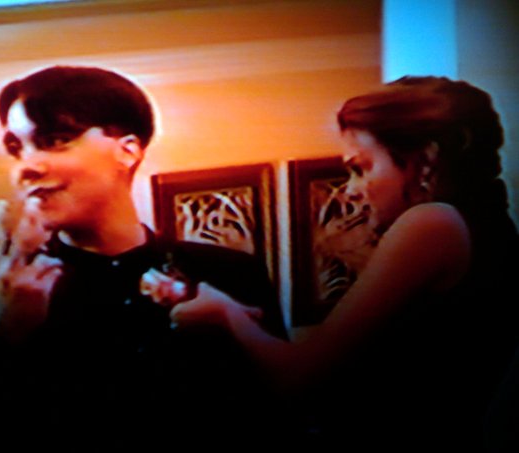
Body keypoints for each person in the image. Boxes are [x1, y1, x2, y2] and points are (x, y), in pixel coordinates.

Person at [167, 76, 519, 451]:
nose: (350, 190)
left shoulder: (433, 223)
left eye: (361, 168)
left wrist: (224, 312)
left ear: (424, 161)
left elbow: (298, 377)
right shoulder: (487, 227)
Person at [0, 65, 287, 450]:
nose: (26, 166)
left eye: (55, 140)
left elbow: (275, 418)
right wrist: (5, 336)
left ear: (128, 150)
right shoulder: (0, 292)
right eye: (16, 149)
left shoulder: (229, 273)